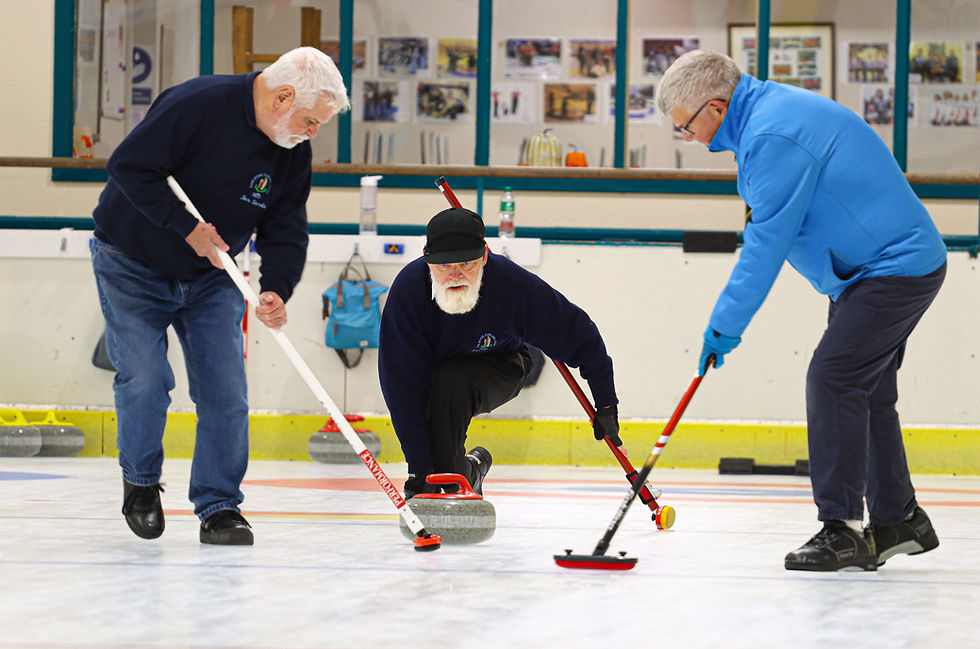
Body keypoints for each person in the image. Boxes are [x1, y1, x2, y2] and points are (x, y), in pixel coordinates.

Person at [656, 50, 946, 572]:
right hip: (874, 271)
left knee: (834, 379)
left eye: (687, 127)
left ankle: (842, 529)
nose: (689, 138)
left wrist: (724, 325)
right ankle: (899, 519)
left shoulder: (772, 135)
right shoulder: (766, 118)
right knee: (866, 390)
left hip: (893, 267)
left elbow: (765, 245)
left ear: (716, 107)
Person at [91, 47, 350, 545]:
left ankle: (219, 506)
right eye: (311, 121)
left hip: (213, 277)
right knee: (146, 379)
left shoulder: (291, 149)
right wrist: (186, 227)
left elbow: (286, 225)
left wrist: (277, 287)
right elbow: (129, 166)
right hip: (132, 261)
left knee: (225, 393)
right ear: (282, 97)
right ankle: (141, 483)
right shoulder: (197, 104)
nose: (313, 133)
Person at [378, 207, 622, 498]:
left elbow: (580, 335)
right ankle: (470, 471)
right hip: (433, 374)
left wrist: (606, 404)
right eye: (444, 266)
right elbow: (401, 385)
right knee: (445, 474)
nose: (455, 275)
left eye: (466, 263)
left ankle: (450, 475)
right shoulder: (408, 292)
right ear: (427, 260)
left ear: (484, 256)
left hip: (504, 364)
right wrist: (419, 472)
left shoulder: (512, 285)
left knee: (453, 379)